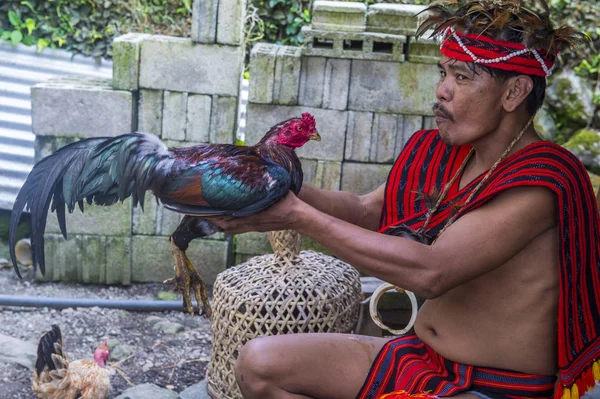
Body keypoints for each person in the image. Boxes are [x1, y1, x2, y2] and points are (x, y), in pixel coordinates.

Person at [212, 1, 600, 398]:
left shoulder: (544, 179)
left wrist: (297, 217)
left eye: (462, 77)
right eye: (443, 73)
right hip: (421, 358)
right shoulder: (447, 154)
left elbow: (432, 272)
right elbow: (365, 211)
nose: (442, 91)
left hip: (498, 386)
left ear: (514, 91)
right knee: (260, 365)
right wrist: (274, 184)